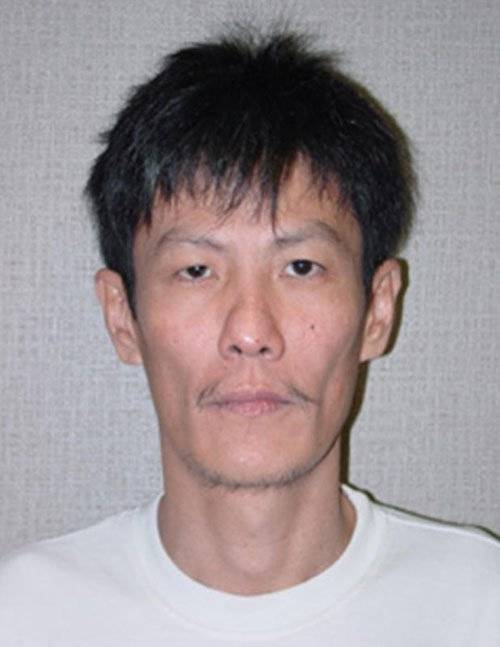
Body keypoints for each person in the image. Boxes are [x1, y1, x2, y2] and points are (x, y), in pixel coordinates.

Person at [0, 28, 498, 646]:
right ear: (122, 317)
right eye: (196, 270)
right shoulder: (23, 614)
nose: (251, 332)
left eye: (301, 267)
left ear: (377, 309)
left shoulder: (481, 606)